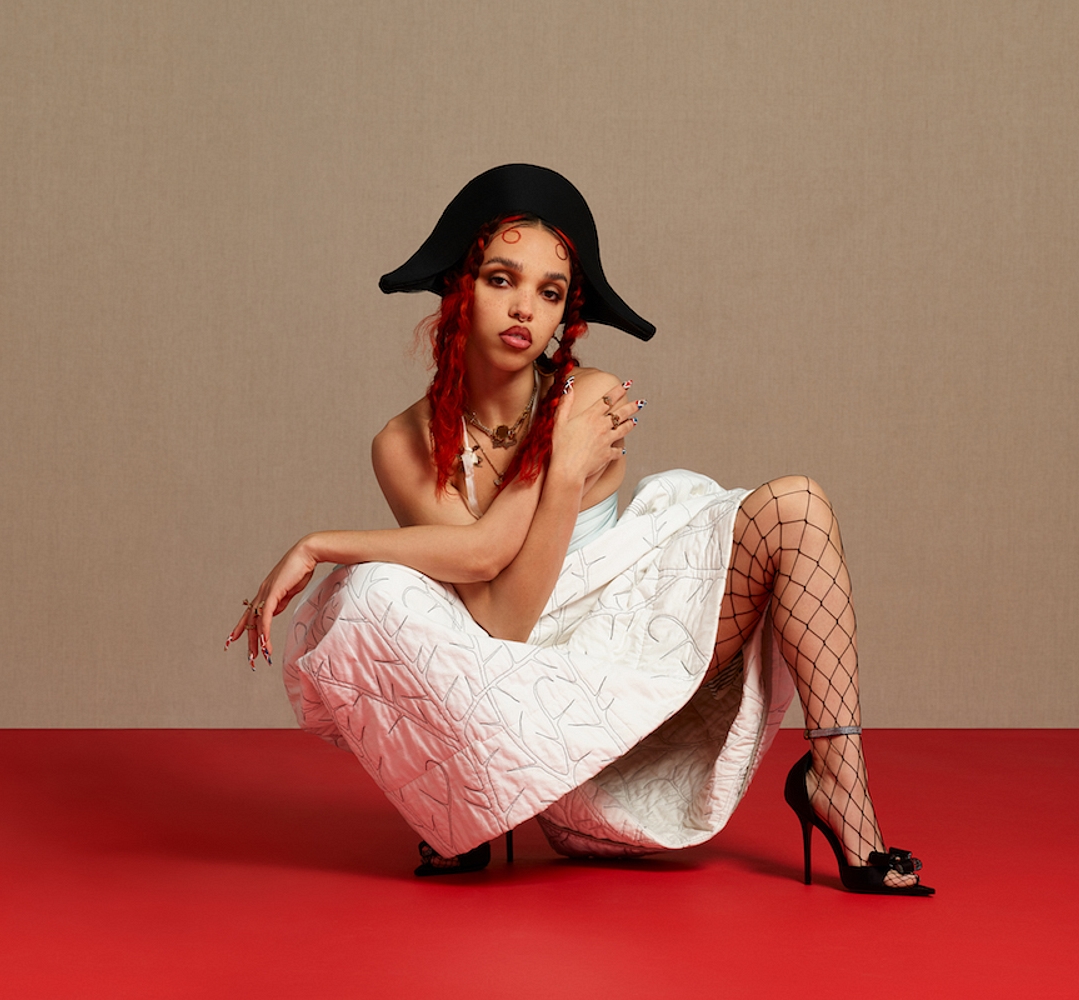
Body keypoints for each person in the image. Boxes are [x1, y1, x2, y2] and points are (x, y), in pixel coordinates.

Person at [228, 164, 932, 895]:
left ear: (566, 312)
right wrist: (324, 544)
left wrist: (555, 467)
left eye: (550, 292)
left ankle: (838, 787)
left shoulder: (587, 393)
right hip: (510, 676)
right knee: (369, 592)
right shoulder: (403, 443)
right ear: (459, 286)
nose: (524, 309)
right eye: (501, 279)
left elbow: (487, 560)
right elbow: (503, 617)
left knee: (798, 506)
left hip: (623, 641)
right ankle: (458, 806)